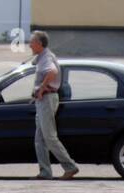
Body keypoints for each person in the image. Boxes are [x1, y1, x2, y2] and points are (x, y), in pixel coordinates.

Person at [29, 31, 80, 181]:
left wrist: (42, 89)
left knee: (49, 137)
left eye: (32, 42)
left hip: (47, 99)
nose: (29, 44)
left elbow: (52, 72)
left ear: (39, 43)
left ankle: (70, 167)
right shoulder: (42, 57)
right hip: (42, 100)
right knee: (40, 139)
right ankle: (45, 172)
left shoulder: (47, 57)